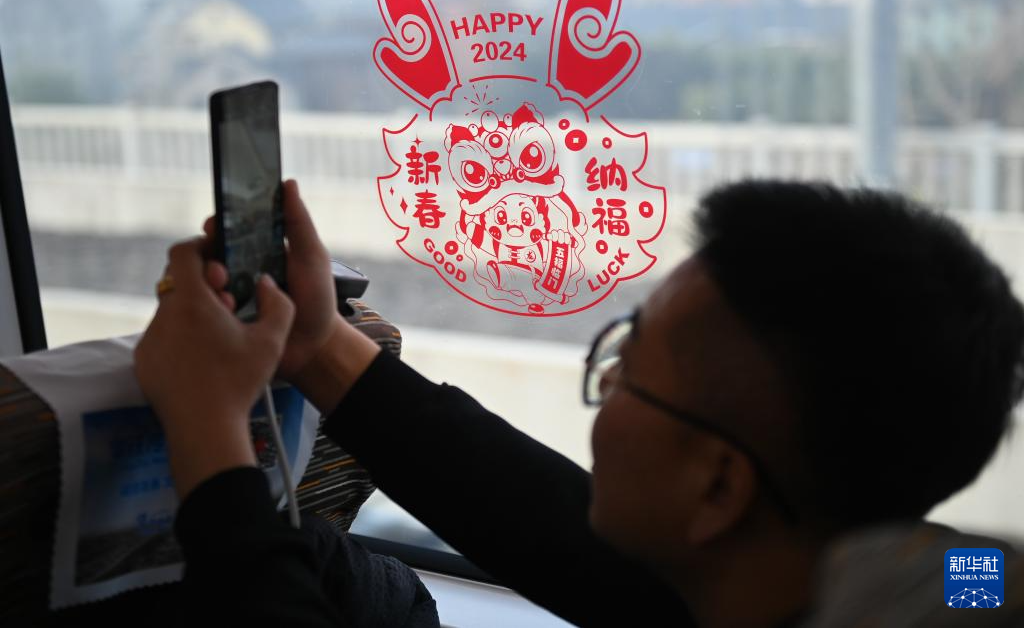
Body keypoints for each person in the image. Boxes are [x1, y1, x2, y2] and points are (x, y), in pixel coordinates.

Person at [135, 178, 1024, 627]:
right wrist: (322, 347)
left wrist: (209, 436)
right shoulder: (930, 578)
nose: (606, 395)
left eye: (627, 369)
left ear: (719, 488)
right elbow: (560, 528)